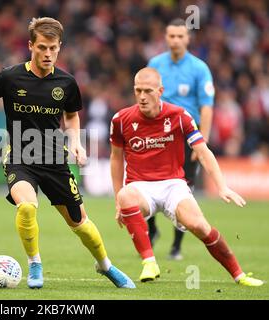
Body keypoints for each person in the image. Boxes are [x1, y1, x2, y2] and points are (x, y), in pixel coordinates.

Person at [0, 17, 135, 289]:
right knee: (27, 206)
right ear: (31, 46)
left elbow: (71, 116)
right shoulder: (7, 77)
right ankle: (35, 263)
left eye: (53, 48)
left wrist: (76, 142)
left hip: (54, 160)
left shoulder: (67, 83)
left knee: (80, 224)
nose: (47, 54)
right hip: (20, 157)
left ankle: (105, 265)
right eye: (42, 47)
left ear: (59, 48)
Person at [109, 67, 263, 286]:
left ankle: (239, 275)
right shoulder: (121, 119)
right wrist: (117, 200)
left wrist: (222, 187)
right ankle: (149, 262)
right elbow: (116, 159)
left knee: (199, 226)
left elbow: (202, 151)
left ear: (160, 90)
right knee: (125, 196)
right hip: (140, 187)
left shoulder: (179, 116)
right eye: (138, 91)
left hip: (173, 185)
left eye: (148, 91)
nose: (142, 97)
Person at [146, 18, 215, 260]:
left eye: (180, 36)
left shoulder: (199, 68)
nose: (175, 40)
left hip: (186, 135)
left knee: (184, 189)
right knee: (147, 182)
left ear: (187, 38)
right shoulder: (155, 64)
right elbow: (144, 98)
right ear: (166, 38)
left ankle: (176, 246)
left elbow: (206, 107)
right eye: (171, 36)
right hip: (156, 133)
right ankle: (152, 229)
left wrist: (202, 142)